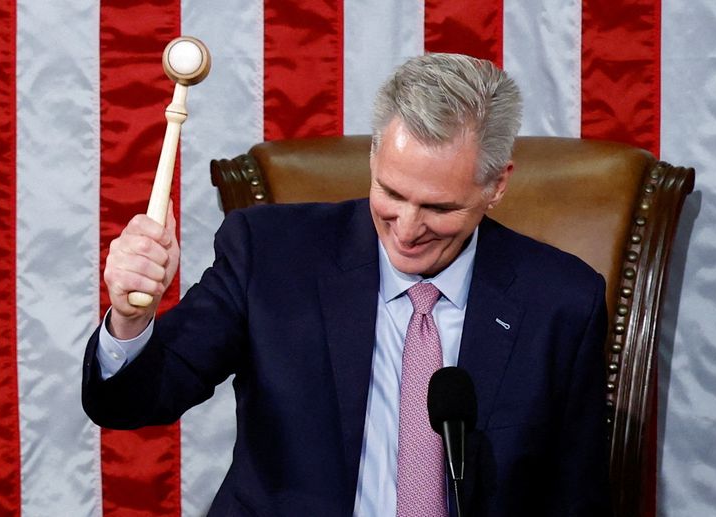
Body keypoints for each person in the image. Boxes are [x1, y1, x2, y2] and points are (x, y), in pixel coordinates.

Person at [82, 54, 610, 516]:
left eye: (439, 207)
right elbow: (132, 402)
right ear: (374, 158)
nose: (406, 229)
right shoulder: (271, 254)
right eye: (392, 193)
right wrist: (130, 319)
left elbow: (574, 499)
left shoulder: (562, 302)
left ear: (497, 185)